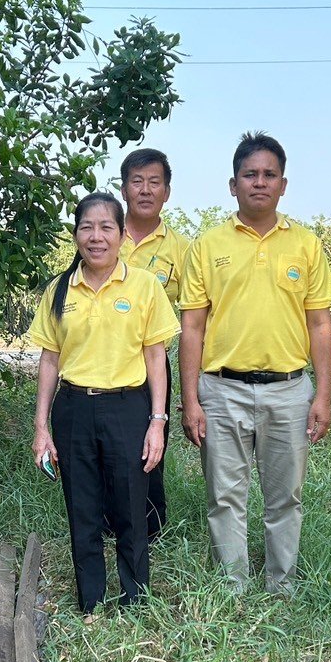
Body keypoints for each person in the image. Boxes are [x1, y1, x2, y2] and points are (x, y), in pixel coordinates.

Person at [179, 132, 331, 594]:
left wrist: (322, 395)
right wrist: (191, 400)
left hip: (289, 390)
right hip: (221, 390)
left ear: (283, 185)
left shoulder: (305, 245)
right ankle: (232, 588)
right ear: (233, 184)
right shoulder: (207, 246)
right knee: (225, 497)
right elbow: (192, 328)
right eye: (250, 174)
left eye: (269, 175)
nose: (259, 183)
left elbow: (320, 325)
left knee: (285, 497)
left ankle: (280, 586)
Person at [30, 192, 179, 613]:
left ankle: (135, 600)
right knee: (83, 506)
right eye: (86, 227)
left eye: (106, 227)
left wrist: (157, 422)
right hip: (74, 408)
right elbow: (49, 359)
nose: (96, 237)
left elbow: (155, 358)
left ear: (122, 234)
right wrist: (41, 427)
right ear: (76, 234)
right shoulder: (60, 290)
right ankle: (91, 601)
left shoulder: (145, 286)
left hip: (128, 408)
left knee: (132, 503)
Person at [118, 147, 190, 541]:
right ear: (124, 188)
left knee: (150, 443)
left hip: (153, 366)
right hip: (103, 365)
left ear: (167, 191)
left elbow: (197, 316)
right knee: (106, 447)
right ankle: (110, 523)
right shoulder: (105, 234)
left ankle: (150, 526)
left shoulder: (180, 249)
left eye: (154, 182)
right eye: (137, 181)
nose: (145, 190)